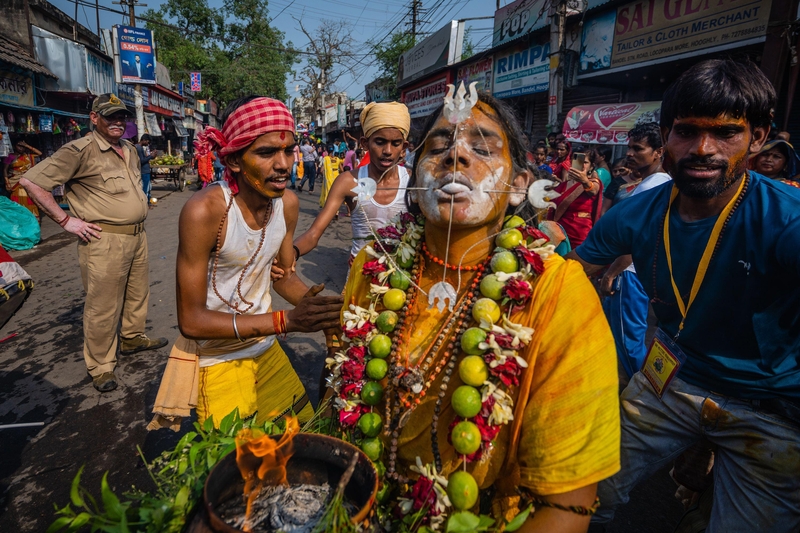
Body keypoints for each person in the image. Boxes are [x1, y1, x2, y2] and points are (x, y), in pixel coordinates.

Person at [329, 91, 620, 530]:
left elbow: (566, 507)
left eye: (481, 148)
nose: (456, 156)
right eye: (440, 145)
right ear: (415, 174)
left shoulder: (557, 292)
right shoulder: (375, 266)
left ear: (520, 184)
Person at [568, 59, 800, 532]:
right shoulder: (635, 214)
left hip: (770, 411)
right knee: (578, 497)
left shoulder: (787, 221)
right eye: (686, 131)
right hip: (668, 383)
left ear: (758, 137)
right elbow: (570, 280)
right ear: (668, 136)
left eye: (726, 133)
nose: (703, 149)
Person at [149, 96, 343, 430]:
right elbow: (191, 321)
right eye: (266, 153)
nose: (282, 164)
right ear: (236, 159)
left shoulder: (287, 204)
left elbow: (281, 275)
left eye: (288, 150)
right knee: (243, 470)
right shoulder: (205, 211)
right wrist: (287, 321)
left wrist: (323, 309)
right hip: (218, 359)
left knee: (300, 444)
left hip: (266, 351)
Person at [18, 93, 167, 392]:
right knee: (103, 306)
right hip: (104, 239)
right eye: (110, 116)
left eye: (122, 116)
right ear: (95, 118)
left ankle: (132, 338)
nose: (118, 121)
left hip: (137, 236)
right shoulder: (80, 150)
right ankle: (100, 365)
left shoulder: (129, 149)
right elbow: (31, 181)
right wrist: (64, 220)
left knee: (137, 293)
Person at [294, 102, 411, 263]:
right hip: (358, 280)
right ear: (365, 144)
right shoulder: (348, 181)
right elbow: (314, 234)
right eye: (380, 142)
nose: (388, 151)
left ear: (403, 148)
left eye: (395, 143)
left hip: (405, 280)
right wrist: (290, 255)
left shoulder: (413, 181)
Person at [597, 122, 671, 379]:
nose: (629, 153)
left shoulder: (654, 184)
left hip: (628, 273)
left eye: (637, 148)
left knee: (629, 341)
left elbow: (637, 238)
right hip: (630, 271)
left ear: (658, 152)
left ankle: (636, 392)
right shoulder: (649, 182)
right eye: (629, 147)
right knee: (619, 336)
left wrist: (611, 273)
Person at [546, 143, 603, 248]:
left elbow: (593, 190)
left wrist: (584, 181)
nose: (582, 165)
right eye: (577, 161)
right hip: (559, 233)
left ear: (592, 166)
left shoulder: (593, 182)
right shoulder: (563, 185)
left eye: (585, 162)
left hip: (579, 235)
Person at [4, 140, 42, 221]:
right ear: (14, 146)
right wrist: (7, 182)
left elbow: (40, 153)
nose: (21, 148)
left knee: (30, 199)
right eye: (19, 146)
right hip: (15, 182)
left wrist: (27, 145)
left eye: (23, 147)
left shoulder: (28, 155)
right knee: (17, 200)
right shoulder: (10, 156)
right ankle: (18, 219)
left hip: (27, 181)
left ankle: (31, 220)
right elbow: (4, 170)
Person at [135, 134, 154, 202]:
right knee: (146, 188)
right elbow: (142, 160)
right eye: (148, 142)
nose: (148, 144)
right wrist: (151, 156)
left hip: (144, 171)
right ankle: (146, 203)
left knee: (146, 188)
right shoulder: (139, 148)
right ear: (144, 140)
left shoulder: (138, 147)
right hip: (144, 171)